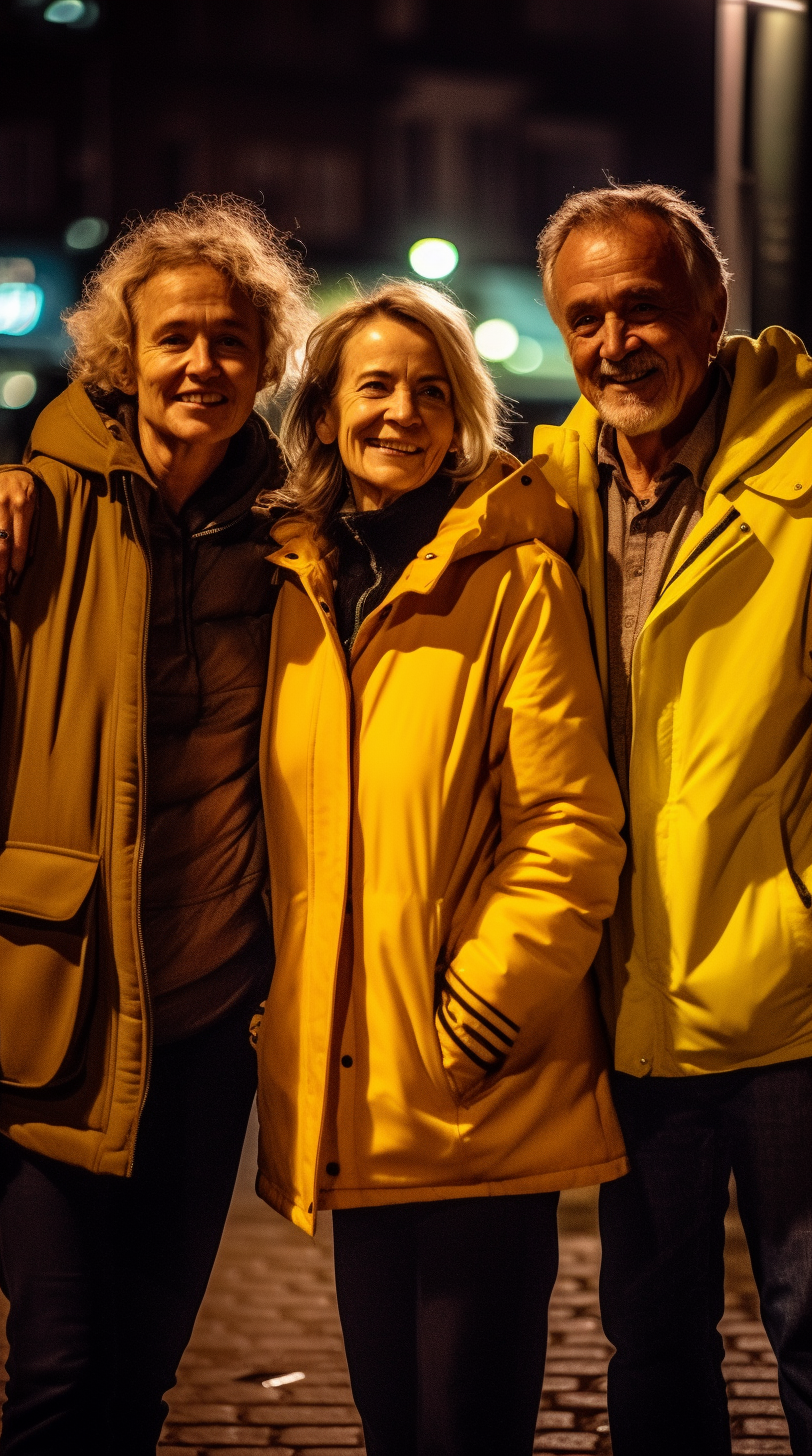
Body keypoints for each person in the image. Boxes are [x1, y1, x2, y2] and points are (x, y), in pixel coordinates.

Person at [251, 279, 627, 1456]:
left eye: (431, 391)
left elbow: (569, 823)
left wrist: (477, 1010)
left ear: (462, 412)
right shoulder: (291, 585)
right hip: (352, 1091)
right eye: (373, 387)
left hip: (472, 1078)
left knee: (466, 1425)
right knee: (390, 1423)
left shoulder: (515, 576)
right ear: (322, 414)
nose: (400, 412)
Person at [0, 194, 313, 1454]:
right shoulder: (34, 513)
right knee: (60, 1373)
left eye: (231, 340)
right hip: (51, 1005)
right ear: (123, 356)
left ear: (266, 358)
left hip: (203, 1023)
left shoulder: (287, 533)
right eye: (175, 337)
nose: (202, 364)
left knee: (140, 1379)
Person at [535, 181, 812, 1456]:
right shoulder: (539, 488)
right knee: (648, 1339)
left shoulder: (806, 467)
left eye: (642, 307)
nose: (612, 343)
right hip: (627, 1005)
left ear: (714, 307)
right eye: (583, 317)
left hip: (790, 1001)